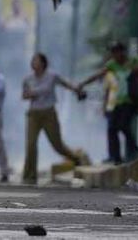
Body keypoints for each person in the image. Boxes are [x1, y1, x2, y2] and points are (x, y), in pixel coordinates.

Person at [21, 53, 87, 184]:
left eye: (36, 60)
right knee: (30, 144)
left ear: (43, 63)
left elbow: (66, 84)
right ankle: (29, 176)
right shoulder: (28, 79)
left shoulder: (51, 76)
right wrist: (30, 95)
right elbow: (24, 96)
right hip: (34, 113)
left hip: (49, 113)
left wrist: (77, 90)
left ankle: (76, 159)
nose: (33, 63)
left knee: (57, 144)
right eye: (32, 61)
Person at [78, 42, 138, 164]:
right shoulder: (112, 65)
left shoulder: (131, 63)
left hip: (129, 101)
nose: (115, 55)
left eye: (117, 52)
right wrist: (83, 83)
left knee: (123, 125)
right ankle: (115, 157)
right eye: (113, 53)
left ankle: (134, 150)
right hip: (115, 102)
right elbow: (98, 75)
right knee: (111, 129)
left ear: (122, 52)